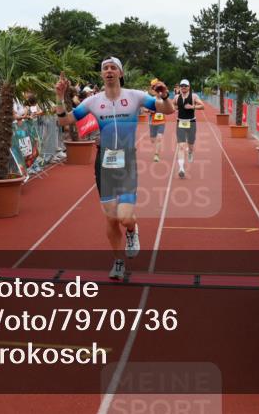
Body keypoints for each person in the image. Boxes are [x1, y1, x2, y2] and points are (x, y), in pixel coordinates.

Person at [54, 57, 175, 280]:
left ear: (120, 73)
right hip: (105, 163)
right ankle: (118, 262)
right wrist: (60, 97)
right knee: (111, 218)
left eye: (113, 68)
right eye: (105, 68)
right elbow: (65, 121)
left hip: (127, 162)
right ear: (102, 75)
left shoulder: (135, 96)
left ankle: (132, 231)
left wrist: (165, 96)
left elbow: (168, 110)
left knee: (126, 218)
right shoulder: (92, 101)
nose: (109, 71)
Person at [174, 79, 205, 178]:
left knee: (190, 144)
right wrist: (174, 108)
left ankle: (191, 152)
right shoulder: (176, 97)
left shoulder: (194, 96)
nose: (183, 87)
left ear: (189, 87)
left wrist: (192, 107)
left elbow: (202, 106)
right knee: (181, 146)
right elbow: (172, 105)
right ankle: (181, 169)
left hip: (191, 122)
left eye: (185, 86)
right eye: (182, 85)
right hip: (180, 123)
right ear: (180, 87)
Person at [146, 79, 167, 162]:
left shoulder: (164, 99)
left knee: (159, 138)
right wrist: (149, 110)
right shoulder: (151, 99)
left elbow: (169, 109)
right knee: (152, 140)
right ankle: (153, 137)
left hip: (161, 121)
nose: (158, 92)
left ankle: (156, 154)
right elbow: (144, 108)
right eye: (156, 90)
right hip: (152, 121)